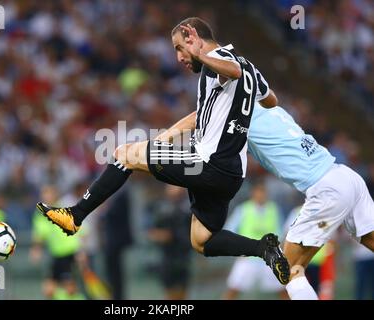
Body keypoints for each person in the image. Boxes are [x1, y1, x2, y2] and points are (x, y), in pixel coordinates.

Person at [36, 17, 290, 285]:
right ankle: (264, 249)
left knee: (124, 155)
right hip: (231, 175)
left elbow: (233, 72)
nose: (180, 57)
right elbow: (270, 100)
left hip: (207, 163)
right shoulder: (250, 69)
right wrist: (168, 135)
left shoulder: (218, 61)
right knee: (202, 240)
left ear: (193, 39)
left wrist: (200, 55)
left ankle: (75, 216)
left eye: (180, 47)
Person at [246, 102, 374, 299]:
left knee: (286, 267)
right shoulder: (273, 109)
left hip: (326, 189)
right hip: (345, 176)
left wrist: (180, 137)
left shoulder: (237, 113)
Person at [222, 181, 287, 300]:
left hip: (270, 257)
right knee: (233, 289)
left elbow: (281, 232)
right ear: (253, 193)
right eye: (258, 192)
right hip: (248, 258)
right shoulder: (243, 209)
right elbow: (230, 230)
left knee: (283, 290)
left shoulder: (274, 209)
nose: (261, 195)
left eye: (263, 192)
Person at [30, 185, 86, 300]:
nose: (46, 196)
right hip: (56, 255)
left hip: (70, 253)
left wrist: (81, 251)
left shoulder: (66, 208)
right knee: (48, 290)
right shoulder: (41, 214)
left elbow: (82, 231)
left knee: (70, 290)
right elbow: (39, 234)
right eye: (44, 194)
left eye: (49, 193)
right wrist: (36, 250)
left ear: (55, 194)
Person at [147, 185, 192, 300]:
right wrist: (160, 236)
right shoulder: (161, 208)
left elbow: (191, 233)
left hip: (183, 256)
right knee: (170, 291)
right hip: (167, 257)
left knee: (182, 291)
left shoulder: (188, 208)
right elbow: (152, 231)